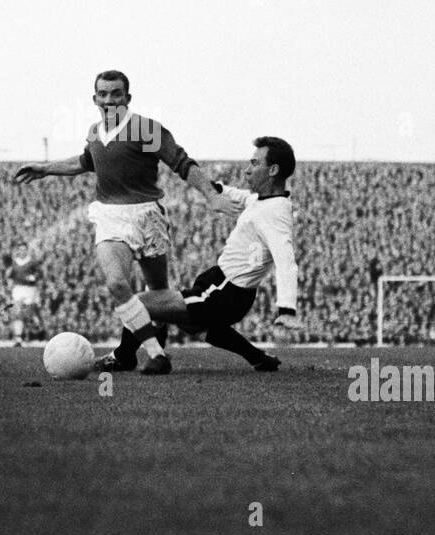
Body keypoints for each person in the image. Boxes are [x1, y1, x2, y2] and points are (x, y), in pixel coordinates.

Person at [13, 69, 233, 374]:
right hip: (110, 216)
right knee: (117, 282)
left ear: (127, 97)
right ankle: (156, 354)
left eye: (116, 93)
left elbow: (182, 162)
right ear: (95, 99)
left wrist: (210, 195)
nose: (109, 99)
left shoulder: (146, 129)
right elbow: (84, 162)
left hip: (148, 216)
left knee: (158, 293)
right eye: (103, 94)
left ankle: (134, 351)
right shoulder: (93, 132)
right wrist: (46, 168)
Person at [121, 137, 301, 373]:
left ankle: (124, 357)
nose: (247, 170)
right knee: (196, 325)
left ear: (273, 170)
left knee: (138, 303)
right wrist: (211, 187)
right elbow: (239, 195)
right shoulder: (264, 201)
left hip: (225, 292)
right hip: (225, 286)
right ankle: (259, 358)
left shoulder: (275, 213)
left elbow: (286, 261)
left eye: (255, 163)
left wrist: (287, 309)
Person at [4, 244, 41, 346]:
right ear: (18, 251)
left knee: (28, 313)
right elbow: (9, 275)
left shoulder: (32, 262)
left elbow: (38, 274)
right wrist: (9, 281)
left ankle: (26, 336)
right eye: (20, 250)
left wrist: (33, 277)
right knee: (18, 311)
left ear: (27, 251)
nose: (22, 252)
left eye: (24, 250)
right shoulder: (14, 262)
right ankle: (18, 338)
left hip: (29, 289)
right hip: (18, 288)